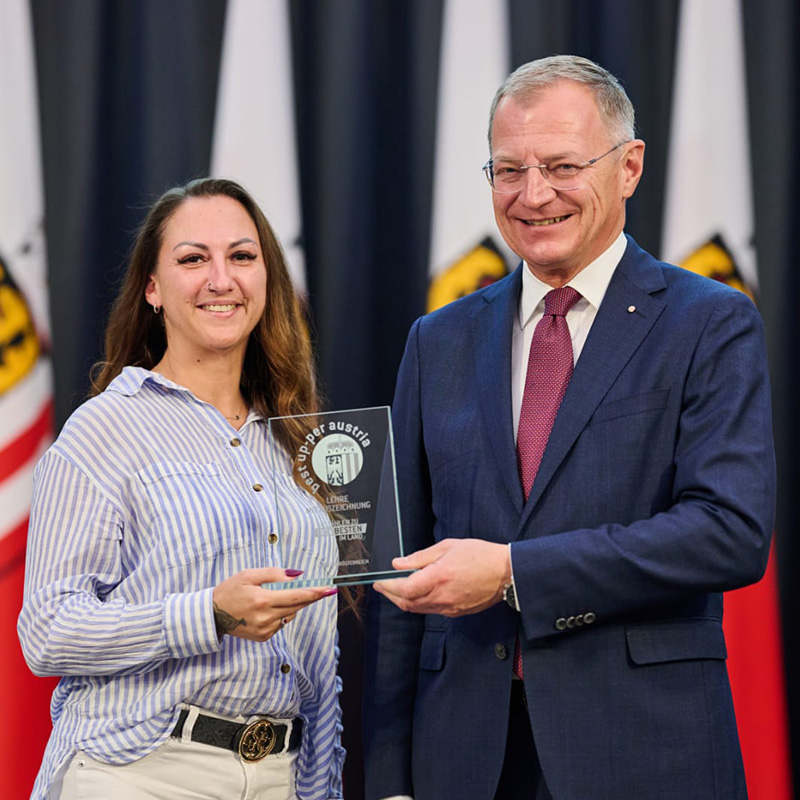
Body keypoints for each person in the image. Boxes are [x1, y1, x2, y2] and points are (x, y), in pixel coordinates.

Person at [362, 55, 775, 800]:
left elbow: (730, 532)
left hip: (645, 752)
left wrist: (516, 573)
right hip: (464, 758)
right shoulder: (439, 340)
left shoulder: (710, 321)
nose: (534, 194)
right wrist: (389, 777)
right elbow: (402, 573)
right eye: (508, 169)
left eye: (561, 165)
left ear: (629, 167)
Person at [18, 178, 346, 800]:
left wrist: (322, 783)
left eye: (242, 257)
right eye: (193, 259)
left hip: (282, 774)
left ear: (267, 279)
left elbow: (319, 649)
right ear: (152, 289)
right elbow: (48, 631)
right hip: (141, 771)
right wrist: (209, 614)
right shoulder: (106, 427)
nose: (220, 279)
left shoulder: (297, 440)